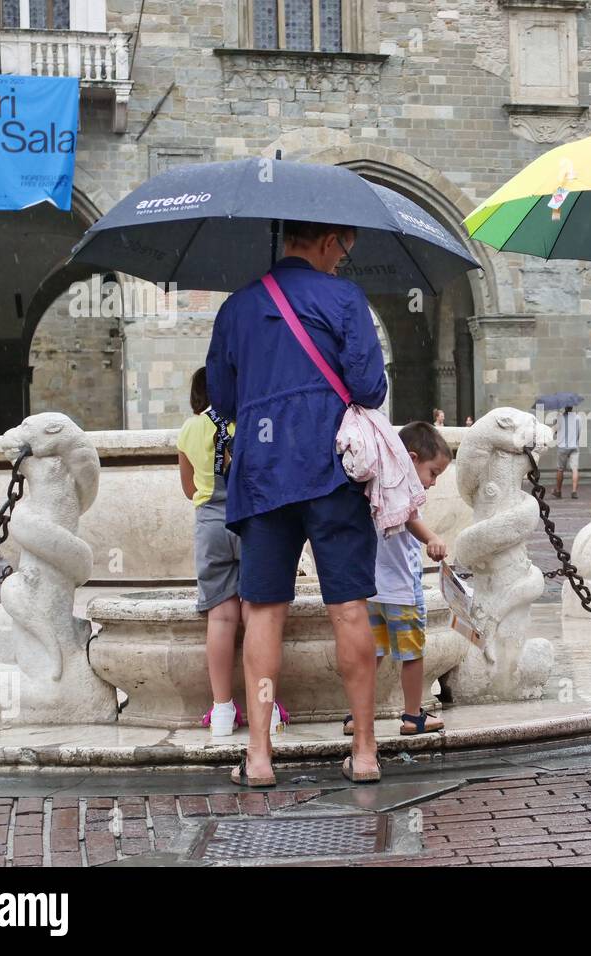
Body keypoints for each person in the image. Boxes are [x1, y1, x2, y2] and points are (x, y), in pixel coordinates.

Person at [207, 219, 388, 788]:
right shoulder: (344, 298)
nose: (345, 261)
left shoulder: (237, 307)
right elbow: (369, 387)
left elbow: (221, 397)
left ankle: (259, 756)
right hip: (332, 469)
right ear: (330, 241)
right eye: (346, 250)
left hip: (262, 478)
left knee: (263, 611)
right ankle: (363, 750)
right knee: (350, 608)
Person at [177, 367, 288, 737]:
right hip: (253, 519)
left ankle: (222, 710)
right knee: (259, 617)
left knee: (221, 620)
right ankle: (266, 710)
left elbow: (189, 487)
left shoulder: (190, 429)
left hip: (211, 523)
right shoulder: (255, 422)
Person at [342, 422, 451, 738]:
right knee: (412, 653)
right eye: (433, 473)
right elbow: (411, 518)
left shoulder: (376, 482)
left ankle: (356, 716)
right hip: (403, 589)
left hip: (372, 588)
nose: (432, 483)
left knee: (371, 653)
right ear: (412, 458)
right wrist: (432, 538)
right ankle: (413, 715)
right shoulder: (403, 488)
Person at [554, 404, 580, 499]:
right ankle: (574, 491)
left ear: (564, 407)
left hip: (562, 447)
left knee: (560, 469)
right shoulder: (578, 417)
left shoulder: (559, 417)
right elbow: (578, 432)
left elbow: (555, 431)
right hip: (574, 446)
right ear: (572, 407)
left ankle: (558, 490)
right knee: (575, 469)